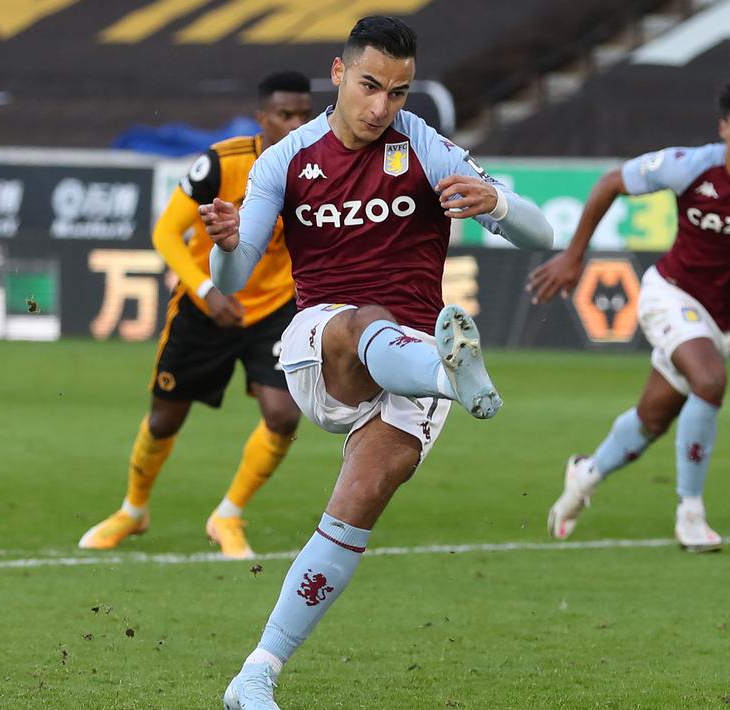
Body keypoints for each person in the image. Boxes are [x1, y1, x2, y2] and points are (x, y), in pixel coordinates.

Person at [200, 17, 553, 709]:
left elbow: (542, 232)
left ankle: (256, 673)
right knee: (364, 321)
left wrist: (499, 204)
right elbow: (235, 275)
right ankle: (450, 375)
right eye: (369, 87)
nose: (381, 107)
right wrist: (226, 242)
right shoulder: (288, 158)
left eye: (398, 92)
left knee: (356, 506)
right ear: (338, 74)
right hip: (323, 346)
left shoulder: (424, 145)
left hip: (413, 359)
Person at [529, 76, 730, 552]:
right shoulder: (691, 165)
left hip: (724, 320)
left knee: (653, 419)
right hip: (670, 294)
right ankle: (690, 514)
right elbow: (612, 182)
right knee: (709, 382)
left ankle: (584, 475)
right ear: (724, 129)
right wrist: (574, 255)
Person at [78, 71, 313, 559]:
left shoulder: (319, 167)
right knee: (164, 420)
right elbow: (167, 232)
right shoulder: (221, 163)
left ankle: (228, 515)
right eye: (285, 114)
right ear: (262, 118)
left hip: (273, 309)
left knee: (284, 415)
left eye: (304, 115)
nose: (296, 124)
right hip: (206, 307)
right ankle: (133, 511)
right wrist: (207, 290)